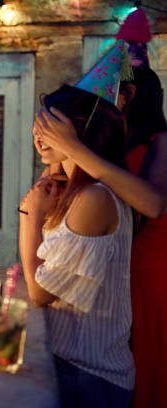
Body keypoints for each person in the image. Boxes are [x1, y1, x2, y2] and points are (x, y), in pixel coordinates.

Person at [34, 9, 167, 407]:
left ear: (132, 96)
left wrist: (73, 147)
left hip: (150, 267)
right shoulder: (106, 148)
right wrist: (60, 156)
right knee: (116, 349)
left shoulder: (160, 142)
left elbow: (154, 203)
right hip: (113, 263)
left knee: (146, 361)